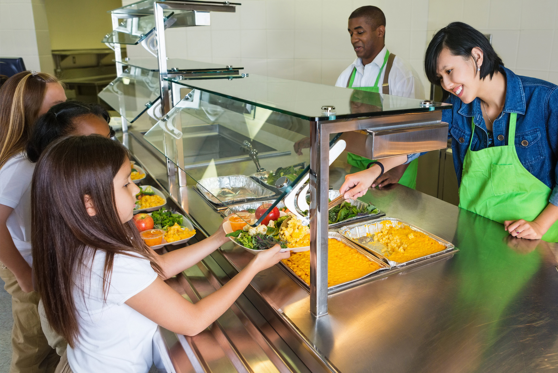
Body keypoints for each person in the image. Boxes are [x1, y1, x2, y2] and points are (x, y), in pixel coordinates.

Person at [32, 135, 289, 372]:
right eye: (125, 184)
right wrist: (253, 267)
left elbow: (159, 266)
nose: (136, 190)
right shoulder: (110, 262)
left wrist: (218, 238)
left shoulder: (81, 242)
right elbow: (193, 321)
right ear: (90, 204)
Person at [341, 22, 558, 242]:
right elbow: (419, 141)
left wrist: (539, 226)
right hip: (476, 233)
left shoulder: (545, 99)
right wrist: (372, 172)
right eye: (440, 77)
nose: (447, 84)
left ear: (477, 56)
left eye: (449, 71)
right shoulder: (457, 106)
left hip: (537, 240)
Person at [0, 71, 66, 373]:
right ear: (28, 115)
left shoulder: (38, 154)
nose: (62, 115)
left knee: (50, 340)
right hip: (27, 263)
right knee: (32, 345)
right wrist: (23, 273)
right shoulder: (19, 166)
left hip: (41, 260)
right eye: (53, 110)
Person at [335, 5, 422, 189]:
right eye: (351, 33)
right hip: (355, 165)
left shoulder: (402, 75)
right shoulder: (346, 76)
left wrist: (396, 171)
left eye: (360, 32)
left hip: (392, 171)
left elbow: (415, 130)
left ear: (380, 31)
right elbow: (335, 121)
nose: (353, 39)